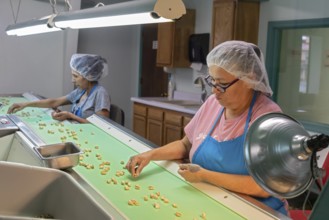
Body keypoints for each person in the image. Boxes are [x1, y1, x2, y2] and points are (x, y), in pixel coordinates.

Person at [126, 41, 288, 215]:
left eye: (222, 84)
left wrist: (204, 175)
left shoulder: (268, 119)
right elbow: (185, 145)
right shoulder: (213, 104)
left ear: (249, 79)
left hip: (254, 211)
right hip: (209, 201)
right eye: (212, 81)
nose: (214, 91)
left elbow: (264, 187)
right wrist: (150, 155)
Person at [7, 53, 111, 124]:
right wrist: (26, 104)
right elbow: (54, 102)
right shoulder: (81, 91)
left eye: (75, 76)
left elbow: (102, 126)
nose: (72, 81)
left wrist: (71, 116)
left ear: (88, 76)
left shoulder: (100, 93)